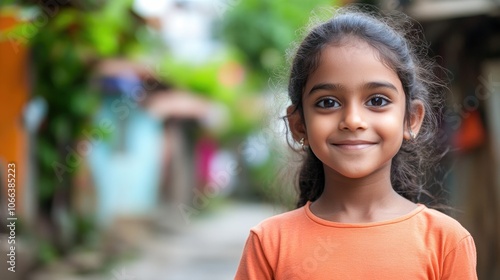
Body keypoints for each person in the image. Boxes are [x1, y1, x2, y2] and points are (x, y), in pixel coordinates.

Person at [234, 6, 477, 280]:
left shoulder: (445, 242)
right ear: (299, 124)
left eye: (377, 101)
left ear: (410, 119)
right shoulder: (270, 243)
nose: (353, 120)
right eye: (328, 103)